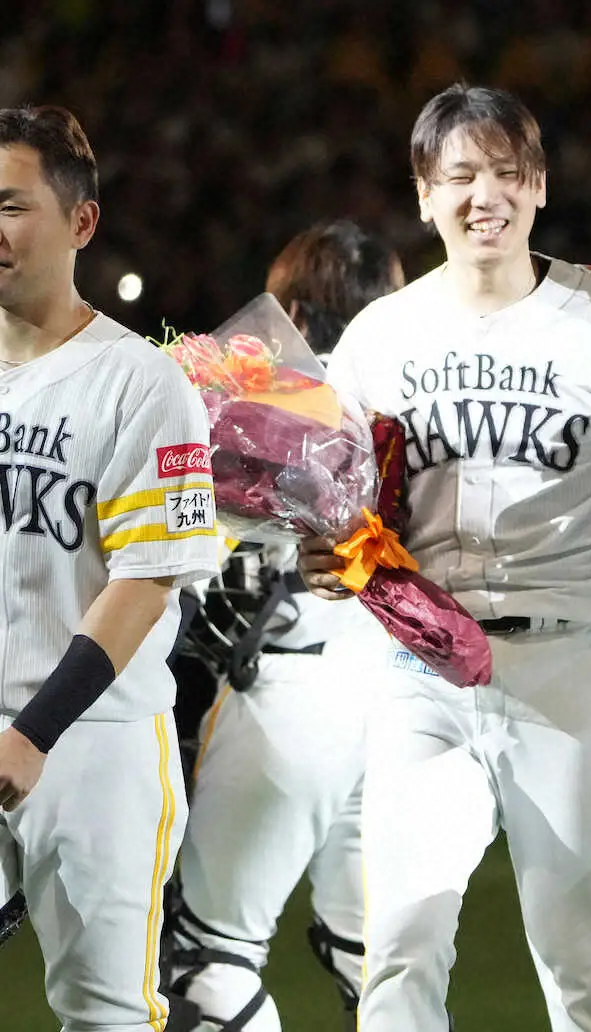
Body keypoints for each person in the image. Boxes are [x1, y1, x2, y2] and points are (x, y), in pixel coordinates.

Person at [297, 83, 591, 1032]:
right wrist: (320, 546)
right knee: (398, 940)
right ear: (422, 195)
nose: (483, 195)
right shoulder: (381, 335)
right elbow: (326, 493)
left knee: (578, 953)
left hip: (566, 663)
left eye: (504, 173)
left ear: (538, 187)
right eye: (460, 175)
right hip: (420, 663)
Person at [0, 105, 220, 1029]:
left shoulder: (143, 382)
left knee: (105, 1015)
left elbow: (146, 580)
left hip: (92, 744)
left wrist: (33, 733)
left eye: (11, 206)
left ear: (81, 223)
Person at [163, 220, 404, 1031]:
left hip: (291, 694)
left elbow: (185, 560)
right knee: (377, 964)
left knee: (212, 959)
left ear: (294, 312)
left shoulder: (267, 404)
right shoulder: (418, 404)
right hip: (403, 705)